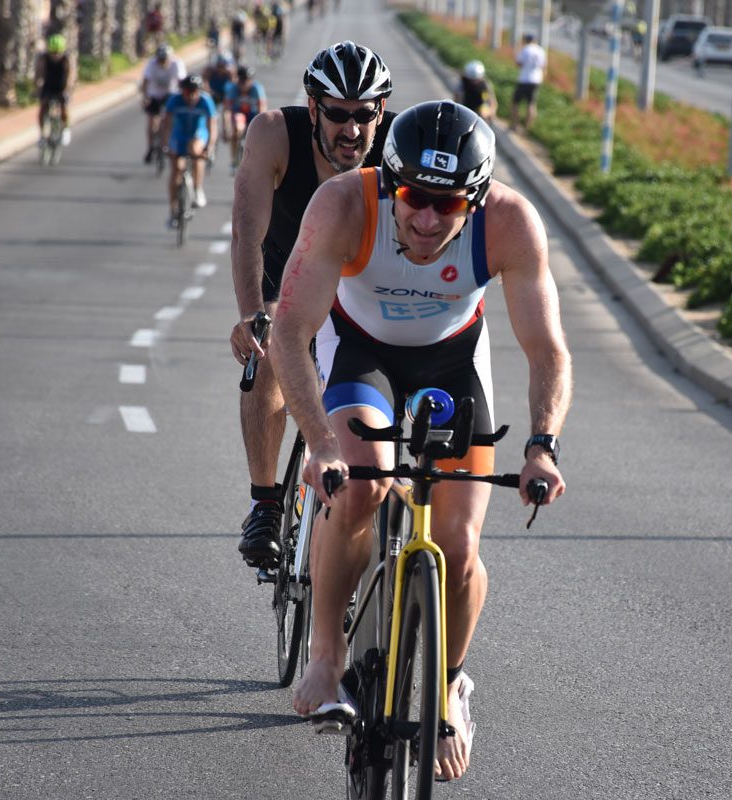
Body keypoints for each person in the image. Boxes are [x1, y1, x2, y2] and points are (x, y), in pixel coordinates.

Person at [270, 99, 571, 781]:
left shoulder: (510, 222)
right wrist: (319, 442)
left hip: (452, 360)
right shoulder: (344, 205)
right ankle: (326, 656)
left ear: (478, 198)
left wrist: (542, 445)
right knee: (361, 487)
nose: (429, 219)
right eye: (413, 198)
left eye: (449, 204)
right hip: (359, 350)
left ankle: (449, 685)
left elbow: (548, 349)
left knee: (461, 547)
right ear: (389, 181)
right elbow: (290, 333)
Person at [229, 41, 396, 569]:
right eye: (339, 115)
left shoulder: (398, 147)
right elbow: (247, 233)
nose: (352, 131)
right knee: (272, 349)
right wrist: (253, 312)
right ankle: (264, 502)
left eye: (365, 116)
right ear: (313, 106)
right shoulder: (274, 133)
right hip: (288, 274)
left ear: (381, 113)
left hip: (363, 280)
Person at [162, 73, 217, 225]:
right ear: (183, 91)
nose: (191, 96)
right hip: (179, 136)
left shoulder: (205, 101)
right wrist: (165, 145)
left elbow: (212, 127)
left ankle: (198, 189)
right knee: (176, 169)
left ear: (199, 91)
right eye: (187, 92)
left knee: (195, 150)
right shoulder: (175, 100)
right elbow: (166, 124)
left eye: (194, 92)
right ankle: (173, 209)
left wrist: (209, 147)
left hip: (198, 134)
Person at [140, 44, 186, 163]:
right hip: (154, 95)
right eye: (160, 60)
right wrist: (145, 97)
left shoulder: (177, 64)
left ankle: (167, 143)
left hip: (171, 95)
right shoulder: (151, 64)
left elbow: (182, 82)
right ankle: (150, 147)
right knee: (152, 122)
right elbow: (145, 82)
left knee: (169, 119)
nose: (162, 62)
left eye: (165, 59)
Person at [222, 64, 266, 165]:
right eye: (241, 81)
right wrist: (226, 129)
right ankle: (233, 160)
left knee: (257, 135)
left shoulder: (257, 89)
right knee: (236, 129)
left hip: (253, 115)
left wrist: (261, 129)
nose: (244, 84)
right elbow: (227, 111)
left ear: (251, 81)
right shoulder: (232, 89)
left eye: (247, 81)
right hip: (239, 115)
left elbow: (262, 110)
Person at [36, 34, 74, 147]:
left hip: (61, 85)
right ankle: (42, 135)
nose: (55, 55)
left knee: (64, 107)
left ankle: (65, 130)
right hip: (48, 85)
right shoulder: (44, 58)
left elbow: (70, 76)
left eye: (57, 53)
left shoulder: (66, 59)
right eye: (52, 52)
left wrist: (67, 90)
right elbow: (39, 74)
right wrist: (37, 88)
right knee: (43, 107)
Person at [511, 32, 546, 132]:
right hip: (536, 79)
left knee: (515, 103)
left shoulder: (525, 49)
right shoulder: (540, 50)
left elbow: (519, 64)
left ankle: (515, 125)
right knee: (531, 104)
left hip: (524, 79)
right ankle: (527, 127)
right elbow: (543, 66)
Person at [203, 51, 236, 150]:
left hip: (224, 93)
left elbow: (233, 86)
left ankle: (225, 131)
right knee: (210, 113)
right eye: (219, 66)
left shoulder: (230, 72)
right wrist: (210, 92)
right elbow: (204, 83)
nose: (221, 69)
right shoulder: (209, 70)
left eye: (224, 66)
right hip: (213, 93)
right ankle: (209, 132)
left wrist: (228, 97)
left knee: (226, 111)